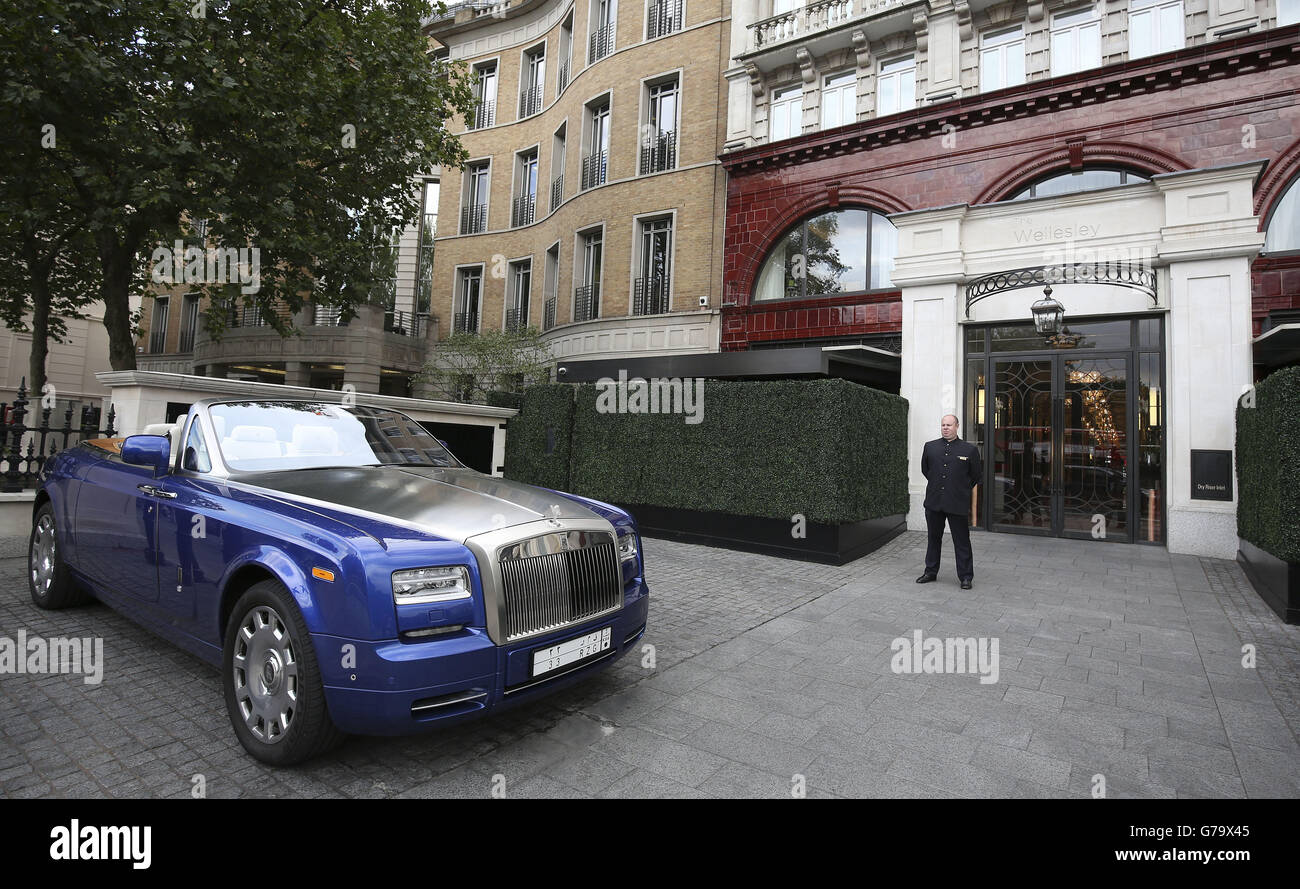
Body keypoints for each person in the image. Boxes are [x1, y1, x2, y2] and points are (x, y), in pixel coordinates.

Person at [917, 414, 983, 589]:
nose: (945, 428)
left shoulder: (969, 450)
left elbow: (975, 475)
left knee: (961, 541)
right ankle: (930, 571)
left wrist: (960, 488)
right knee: (933, 538)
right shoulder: (930, 447)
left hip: (957, 503)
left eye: (949, 425)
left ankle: (966, 576)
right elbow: (926, 470)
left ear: (957, 426)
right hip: (934, 502)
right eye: (943, 425)